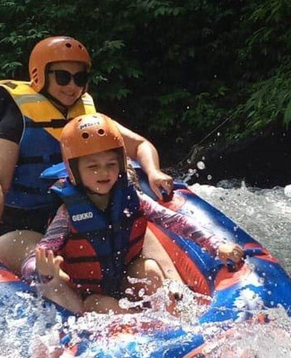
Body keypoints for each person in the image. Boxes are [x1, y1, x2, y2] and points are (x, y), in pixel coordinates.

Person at [0, 36, 174, 272]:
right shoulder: (16, 120)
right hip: (25, 223)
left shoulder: (86, 117)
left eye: (80, 78)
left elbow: (140, 145)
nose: (72, 86)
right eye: (63, 77)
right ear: (40, 75)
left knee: (134, 227)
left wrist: (154, 172)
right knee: (45, 269)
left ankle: (178, 295)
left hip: (80, 214)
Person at [19, 113, 244, 314]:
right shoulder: (67, 214)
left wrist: (217, 246)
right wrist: (42, 274)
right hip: (90, 295)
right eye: (93, 166)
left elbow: (175, 221)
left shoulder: (133, 198)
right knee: (102, 305)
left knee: (150, 271)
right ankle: (138, 331)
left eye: (111, 164)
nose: (104, 172)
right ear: (74, 170)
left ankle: (174, 322)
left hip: (126, 277)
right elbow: (37, 256)